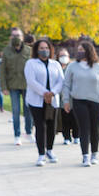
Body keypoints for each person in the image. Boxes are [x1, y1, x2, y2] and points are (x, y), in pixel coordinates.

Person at [61, 40, 99, 167]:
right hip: (79, 101)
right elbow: (66, 85)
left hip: (95, 102)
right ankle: (85, 156)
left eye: (82, 50)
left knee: (95, 129)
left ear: (89, 51)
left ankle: (94, 153)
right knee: (84, 128)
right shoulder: (72, 67)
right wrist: (66, 101)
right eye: (78, 50)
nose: (79, 52)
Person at [24, 37, 65, 166]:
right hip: (36, 101)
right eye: (41, 48)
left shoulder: (55, 64)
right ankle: (41, 154)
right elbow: (31, 81)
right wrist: (44, 93)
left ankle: (50, 150)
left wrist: (52, 93)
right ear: (37, 50)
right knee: (40, 127)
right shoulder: (31, 63)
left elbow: (61, 81)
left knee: (52, 127)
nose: (44, 50)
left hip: (52, 100)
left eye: (46, 48)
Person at [1, 28, 33, 142]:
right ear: (10, 37)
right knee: (15, 111)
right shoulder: (6, 51)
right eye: (14, 35)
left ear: (22, 37)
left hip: (27, 86)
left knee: (28, 110)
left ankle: (29, 132)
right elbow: (2, 70)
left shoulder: (29, 51)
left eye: (18, 35)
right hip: (13, 85)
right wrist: (4, 87)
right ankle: (17, 135)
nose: (16, 37)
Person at [55, 47, 77, 144]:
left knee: (75, 118)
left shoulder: (72, 67)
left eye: (65, 55)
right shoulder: (55, 67)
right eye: (61, 55)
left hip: (73, 97)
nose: (64, 57)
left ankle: (77, 136)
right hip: (60, 98)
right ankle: (66, 137)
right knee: (65, 118)